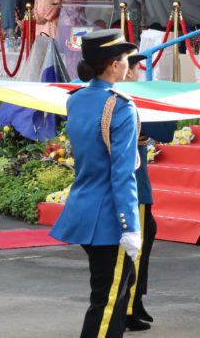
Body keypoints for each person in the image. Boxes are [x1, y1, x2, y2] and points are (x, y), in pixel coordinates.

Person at [49, 29, 141, 338]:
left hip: (84, 207)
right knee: (107, 305)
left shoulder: (77, 100)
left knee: (111, 295)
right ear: (114, 64)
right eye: (125, 59)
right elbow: (122, 173)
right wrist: (129, 225)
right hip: (109, 219)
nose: (128, 64)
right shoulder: (121, 106)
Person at [122, 52, 176, 331]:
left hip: (135, 186)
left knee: (147, 236)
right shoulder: (129, 102)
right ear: (127, 72)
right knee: (136, 249)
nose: (139, 74)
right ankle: (129, 307)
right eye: (136, 69)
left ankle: (136, 299)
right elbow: (165, 131)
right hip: (136, 188)